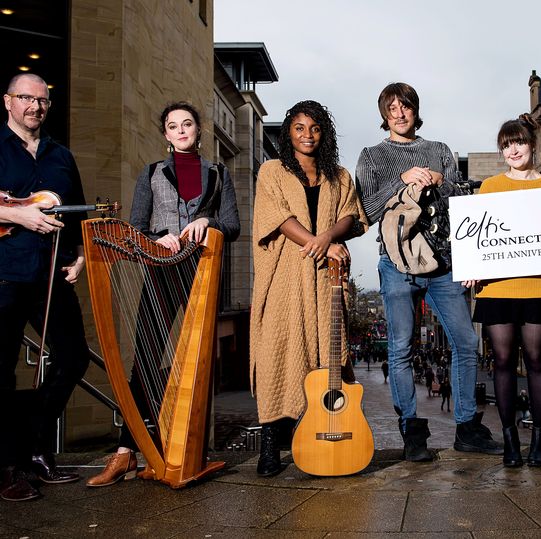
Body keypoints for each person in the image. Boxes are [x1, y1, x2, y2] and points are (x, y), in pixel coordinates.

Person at [85, 101, 240, 487]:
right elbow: (137, 227)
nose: (181, 130)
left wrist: (207, 220)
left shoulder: (218, 173)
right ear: (166, 134)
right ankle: (125, 452)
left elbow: (233, 225)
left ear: (198, 130)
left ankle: (193, 452)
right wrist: (157, 237)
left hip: (201, 271)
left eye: (187, 124)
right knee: (145, 359)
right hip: (162, 272)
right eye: (173, 126)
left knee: (200, 361)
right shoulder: (151, 173)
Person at [355, 82, 501, 461]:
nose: (399, 114)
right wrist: (400, 180)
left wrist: (441, 181)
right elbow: (365, 212)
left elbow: (462, 202)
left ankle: (467, 428)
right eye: (391, 108)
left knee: (465, 342)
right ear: (384, 114)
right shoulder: (371, 156)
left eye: (405, 107)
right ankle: (412, 432)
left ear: (415, 110)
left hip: (442, 263)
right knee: (400, 348)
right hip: (396, 263)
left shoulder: (439, 150)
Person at [251, 100, 366, 477]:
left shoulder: (339, 175)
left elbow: (351, 216)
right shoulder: (272, 170)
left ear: (324, 134)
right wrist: (318, 243)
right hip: (286, 275)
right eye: (299, 128)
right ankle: (271, 446)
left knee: (329, 355)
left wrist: (327, 238)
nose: (307, 135)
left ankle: (327, 438)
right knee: (278, 354)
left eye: (315, 128)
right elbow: (277, 217)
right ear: (288, 133)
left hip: (327, 278)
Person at [0, 73, 91, 501]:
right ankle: (8, 468)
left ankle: (32, 446)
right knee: (1, 370)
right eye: (26, 98)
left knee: (73, 358)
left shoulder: (61, 156)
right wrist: (19, 215)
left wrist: (80, 257)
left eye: (42, 100)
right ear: (8, 102)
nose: (35, 106)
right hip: (5, 273)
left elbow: (75, 216)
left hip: (51, 274)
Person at [465, 114, 541, 468]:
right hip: (497, 288)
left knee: (537, 361)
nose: (514, 150)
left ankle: (539, 438)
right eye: (506, 145)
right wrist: (471, 266)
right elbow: (478, 237)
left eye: (519, 142)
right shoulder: (490, 187)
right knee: (503, 362)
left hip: (539, 285)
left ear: (532, 144)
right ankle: (510, 440)